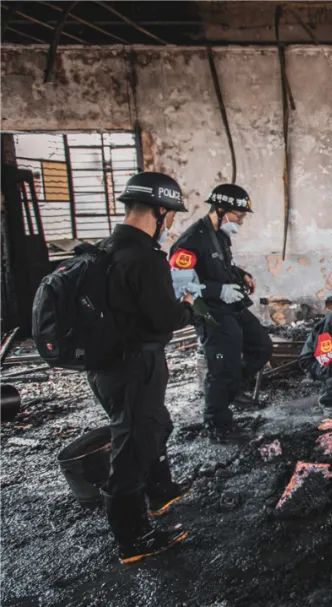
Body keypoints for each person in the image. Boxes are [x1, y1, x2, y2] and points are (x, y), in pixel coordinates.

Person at [90, 172, 194, 564]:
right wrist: (185, 305)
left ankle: (160, 490)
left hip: (107, 367)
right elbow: (165, 317)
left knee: (153, 427)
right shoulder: (147, 259)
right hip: (135, 365)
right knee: (132, 448)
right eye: (170, 215)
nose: (169, 224)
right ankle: (133, 539)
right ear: (161, 210)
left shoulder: (107, 248)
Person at [170, 184, 272, 441]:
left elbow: (223, 266)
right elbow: (178, 285)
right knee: (221, 366)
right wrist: (217, 291)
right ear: (220, 209)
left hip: (231, 305)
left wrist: (241, 275)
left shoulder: (222, 235)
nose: (241, 220)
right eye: (238, 214)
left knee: (260, 346)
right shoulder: (191, 241)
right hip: (209, 310)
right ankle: (217, 425)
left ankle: (233, 388)